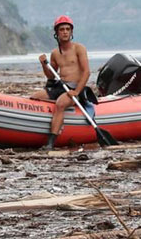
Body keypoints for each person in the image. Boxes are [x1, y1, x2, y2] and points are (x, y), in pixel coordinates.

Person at [32, 15, 96, 149]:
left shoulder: (79, 48)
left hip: (76, 87)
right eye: (62, 29)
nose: (65, 32)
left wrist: (77, 91)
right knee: (35, 97)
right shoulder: (55, 53)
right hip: (61, 86)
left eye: (68, 29)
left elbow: (86, 72)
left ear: (71, 32)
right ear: (57, 33)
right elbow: (51, 76)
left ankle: (50, 142)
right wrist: (44, 64)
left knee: (60, 103)